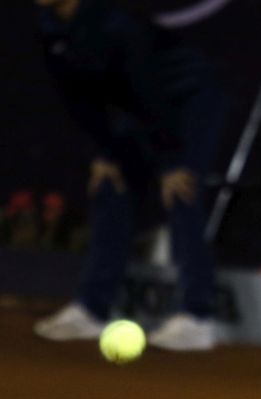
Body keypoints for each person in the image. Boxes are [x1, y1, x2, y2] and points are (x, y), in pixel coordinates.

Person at [32, 0, 227, 351]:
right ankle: (92, 308)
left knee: (181, 190)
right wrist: (105, 152)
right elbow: (78, 99)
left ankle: (197, 315)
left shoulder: (115, 23)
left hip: (188, 99)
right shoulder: (50, 27)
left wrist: (171, 162)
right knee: (111, 185)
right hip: (141, 109)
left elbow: (147, 89)